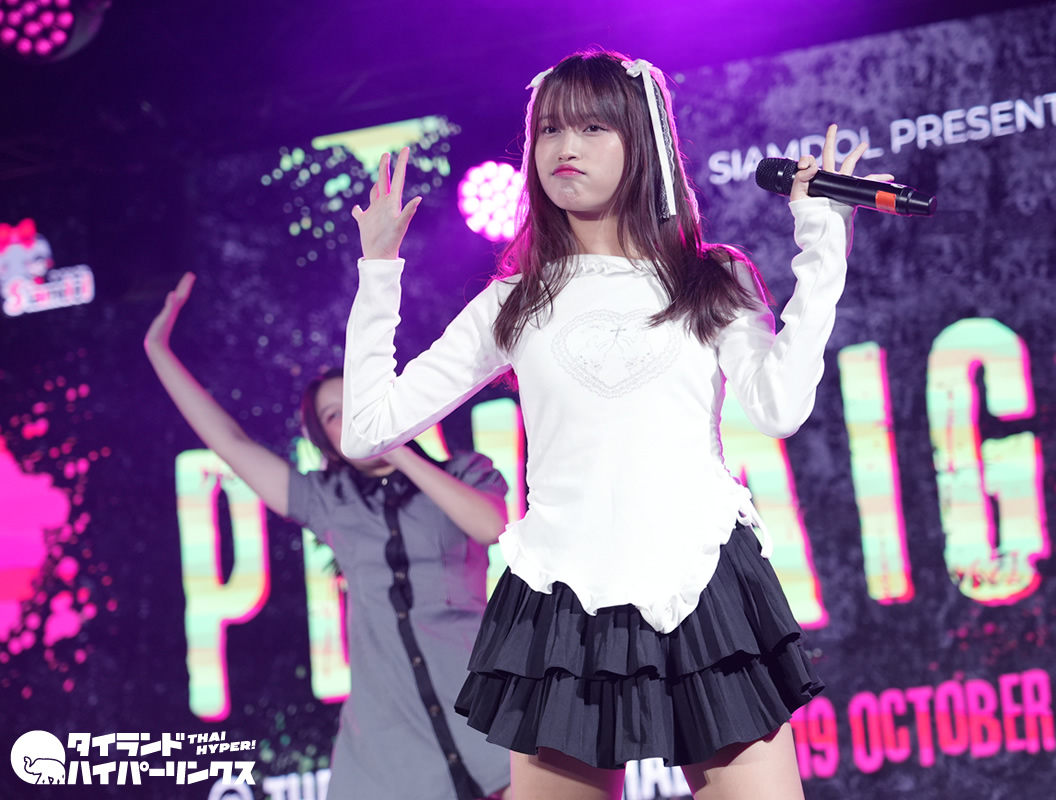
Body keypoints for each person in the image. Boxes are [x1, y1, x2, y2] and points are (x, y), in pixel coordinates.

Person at [340, 49, 894, 800]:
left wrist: (823, 251)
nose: (564, 148)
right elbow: (366, 427)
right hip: (561, 599)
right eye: (550, 130)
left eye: (592, 127)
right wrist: (379, 271)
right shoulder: (514, 300)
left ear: (644, 142)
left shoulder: (709, 276)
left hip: (701, 580)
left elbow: (779, 406)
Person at [143, 273, 513, 800]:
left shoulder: (463, 472)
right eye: (336, 415)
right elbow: (231, 442)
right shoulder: (328, 500)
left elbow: (492, 526)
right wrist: (158, 351)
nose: (352, 419)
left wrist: (395, 444)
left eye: (360, 402)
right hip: (390, 745)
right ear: (325, 440)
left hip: (485, 709)